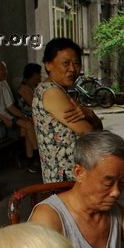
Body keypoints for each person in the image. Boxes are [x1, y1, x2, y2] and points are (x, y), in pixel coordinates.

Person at [33, 37, 103, 183]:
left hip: (69, 175)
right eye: (65, 63)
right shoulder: (51, 91)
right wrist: (91, 119)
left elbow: (94, 128)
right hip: (65, 178)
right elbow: (88, 132)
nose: (72, 69)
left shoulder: (59, 90)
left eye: (76, 63)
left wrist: (90, 114)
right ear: (48, 65)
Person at [0, 59, 38, 170]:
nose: (6, 72)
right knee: (27, 129)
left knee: (28, 125)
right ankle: (36, 158)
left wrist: (24, 117)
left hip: (6, 117)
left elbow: (10, 107)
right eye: (3, 69)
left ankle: (33, 160)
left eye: (5, 69)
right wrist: (1, 117)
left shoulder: (3, 83)